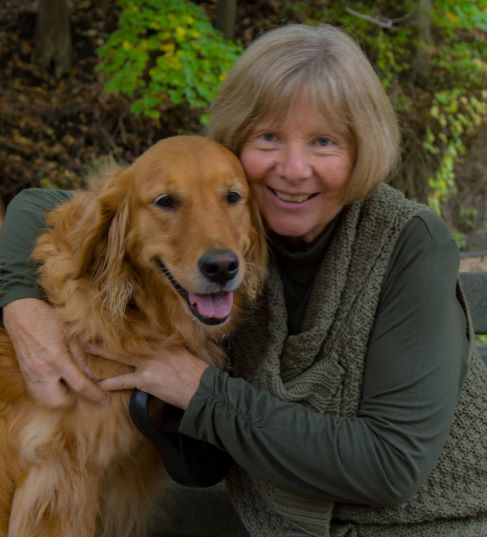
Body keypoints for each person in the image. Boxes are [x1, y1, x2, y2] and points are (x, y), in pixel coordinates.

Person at [1, 23, 487, 536]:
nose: (294, 169)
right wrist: (18, 301)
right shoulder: (239, 221)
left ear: (362, 149)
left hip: (433, 524)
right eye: (269, 137)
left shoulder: (409, 241)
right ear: (235, 143)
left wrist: (200, 391)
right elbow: (42, 205)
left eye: (324, 141)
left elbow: (391, 467)